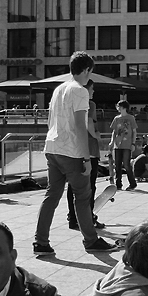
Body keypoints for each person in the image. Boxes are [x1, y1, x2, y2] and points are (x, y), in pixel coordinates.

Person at [34, 52, 117, 256]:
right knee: (82, 196)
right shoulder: (80, 91)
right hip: (71, 152)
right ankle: (91, 240)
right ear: (87, 69)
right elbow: (80, 126)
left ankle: (40, 241)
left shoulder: (59, 89)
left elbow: (50, 120)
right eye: (91, 71)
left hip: (52, 148)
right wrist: (86, 158)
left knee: (51, 195)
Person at [66, 80, 106, 231]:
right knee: (89, 186)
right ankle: (88, 218)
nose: (93, 92)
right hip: (89, 148)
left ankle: (73, 218)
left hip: (73, 148)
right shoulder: (90, 104)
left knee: (73, 185)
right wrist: (96, 135)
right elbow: (89, 123)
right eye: (92, 89)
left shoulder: (70, 103)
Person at [110, 99, 138, 191]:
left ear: (123, 107)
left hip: (127, 144)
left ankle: (132, 183)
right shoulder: (116, 119)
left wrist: (133, 143)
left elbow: (134, 131)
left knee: (126, 164)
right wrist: (112, 142)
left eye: (119, 106)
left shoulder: (131, 118)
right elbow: (114, 132)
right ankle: (118, 184)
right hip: (117, 145)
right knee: (117, 165)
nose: (117, 108)